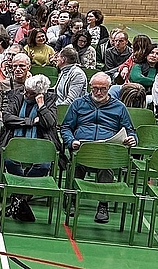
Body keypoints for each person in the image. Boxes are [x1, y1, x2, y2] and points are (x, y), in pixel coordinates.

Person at [60, 72, 137, 224]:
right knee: (77, 162)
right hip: (83, 147)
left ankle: (103, 204)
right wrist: (71, 140)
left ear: (109, 88)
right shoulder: (78, 103)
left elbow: (130, 130)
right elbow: (66, 127)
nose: (99, 92)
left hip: (106, 148)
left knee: (106, 162)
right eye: (95, 88)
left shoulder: (119, 107)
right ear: (90, 87)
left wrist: (132, 139)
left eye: (103, 89)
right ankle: (72, 199)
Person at [0, 74, 59, 223]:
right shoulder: (18, 96)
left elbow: (49, 123)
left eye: (30, 93)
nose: (25, 94)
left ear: (40, 94)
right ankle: (23, 197)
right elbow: (7, 117)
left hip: (40, 142)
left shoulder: (49, 100)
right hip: (15, 140)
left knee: (44, 164)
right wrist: (30, 121)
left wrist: (41, 106)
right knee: (10, 161)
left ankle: (19, 197)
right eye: (25, 91)